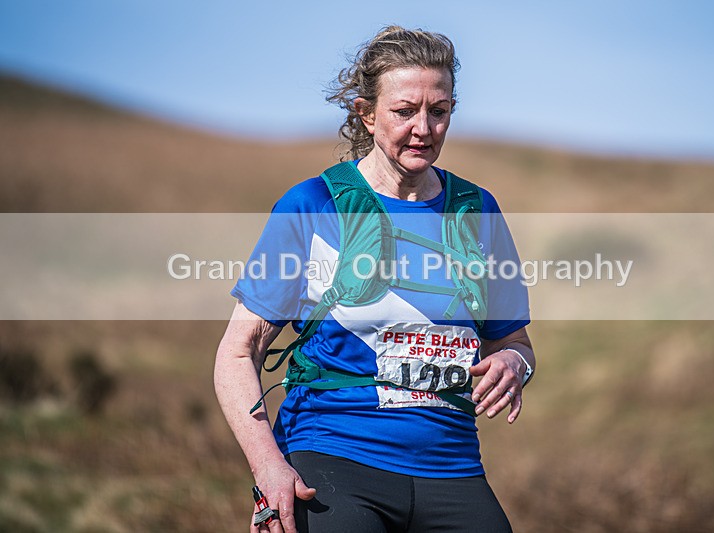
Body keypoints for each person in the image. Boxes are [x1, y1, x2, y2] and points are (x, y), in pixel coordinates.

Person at [214, 25, 534, 533]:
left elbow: (515, 342)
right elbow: (237, 352)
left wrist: (515, 365)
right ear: (366, 113)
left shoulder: (478, 210)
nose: (424, 128)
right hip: (332, 457)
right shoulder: (313, 205)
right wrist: (268, 469)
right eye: (404, 111)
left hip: (452, 466)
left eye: (440, 110)